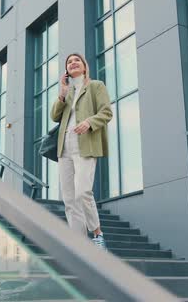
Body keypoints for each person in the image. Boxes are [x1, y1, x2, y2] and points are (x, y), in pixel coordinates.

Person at [50, 53, 113, 250]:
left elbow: (106, 112)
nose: (73, 63)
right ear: (66, 70)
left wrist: (89, 122)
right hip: (65, 148)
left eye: (77, 60)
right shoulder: (67, 92)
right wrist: (62, 92)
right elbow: (54, 116)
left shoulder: (96, 86)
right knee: (69, 198)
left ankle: (97, 233)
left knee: (83, 192)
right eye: (69, 62)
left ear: (84, 66)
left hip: (85, 146)